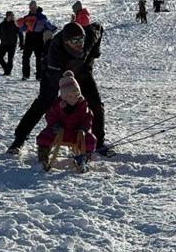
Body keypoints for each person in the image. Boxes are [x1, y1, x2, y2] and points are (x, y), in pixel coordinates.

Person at [8, 21, 108, 156]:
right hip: (54, 73)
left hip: (81, 71)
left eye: (81, 39)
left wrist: (94, 52)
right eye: (75, 40)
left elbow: (98, 27)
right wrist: (67, 104)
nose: (80, 43)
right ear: (66, 42)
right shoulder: (55, 52)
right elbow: (58, 85)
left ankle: (99, 143)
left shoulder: (89, 37)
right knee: (44, 102)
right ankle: (19, 140)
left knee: (95, 103)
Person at [35, 71, 97, 171]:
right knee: (44, 137)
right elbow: (50, 116)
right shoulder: (57, 106)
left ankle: (84, 159)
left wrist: (84, 128)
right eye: (70, 96)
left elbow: (88, 118)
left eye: (77, 95)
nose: (74, 99)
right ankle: (43, 157)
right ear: (64, 96)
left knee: (91, 140)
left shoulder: (82, 106)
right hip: (58, 132)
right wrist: (54, 125)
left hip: (76, 134)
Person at [16, 0, 57, 81]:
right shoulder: (26, 17)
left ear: (36, 7)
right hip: (29, 37)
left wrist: (52, 29)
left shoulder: (42, 17)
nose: (32, 9)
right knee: (25, 57)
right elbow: (23, 28)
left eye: (33, 7)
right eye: (31, 7)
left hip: (39, 38)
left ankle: (39, 76)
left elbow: (48, 26)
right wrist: (19, 26)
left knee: (39, 57)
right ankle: (25, 75)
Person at [0, 11, 24, 76]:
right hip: (3, 44)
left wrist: (21, 43)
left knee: (10, 59)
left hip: (12, 44)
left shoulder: (16, 24)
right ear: (7, 16)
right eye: (10, 16)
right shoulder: (2, 24)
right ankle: (6, 69)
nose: (12, 17)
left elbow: (20, 34)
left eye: (12, 16)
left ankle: (8, 72)